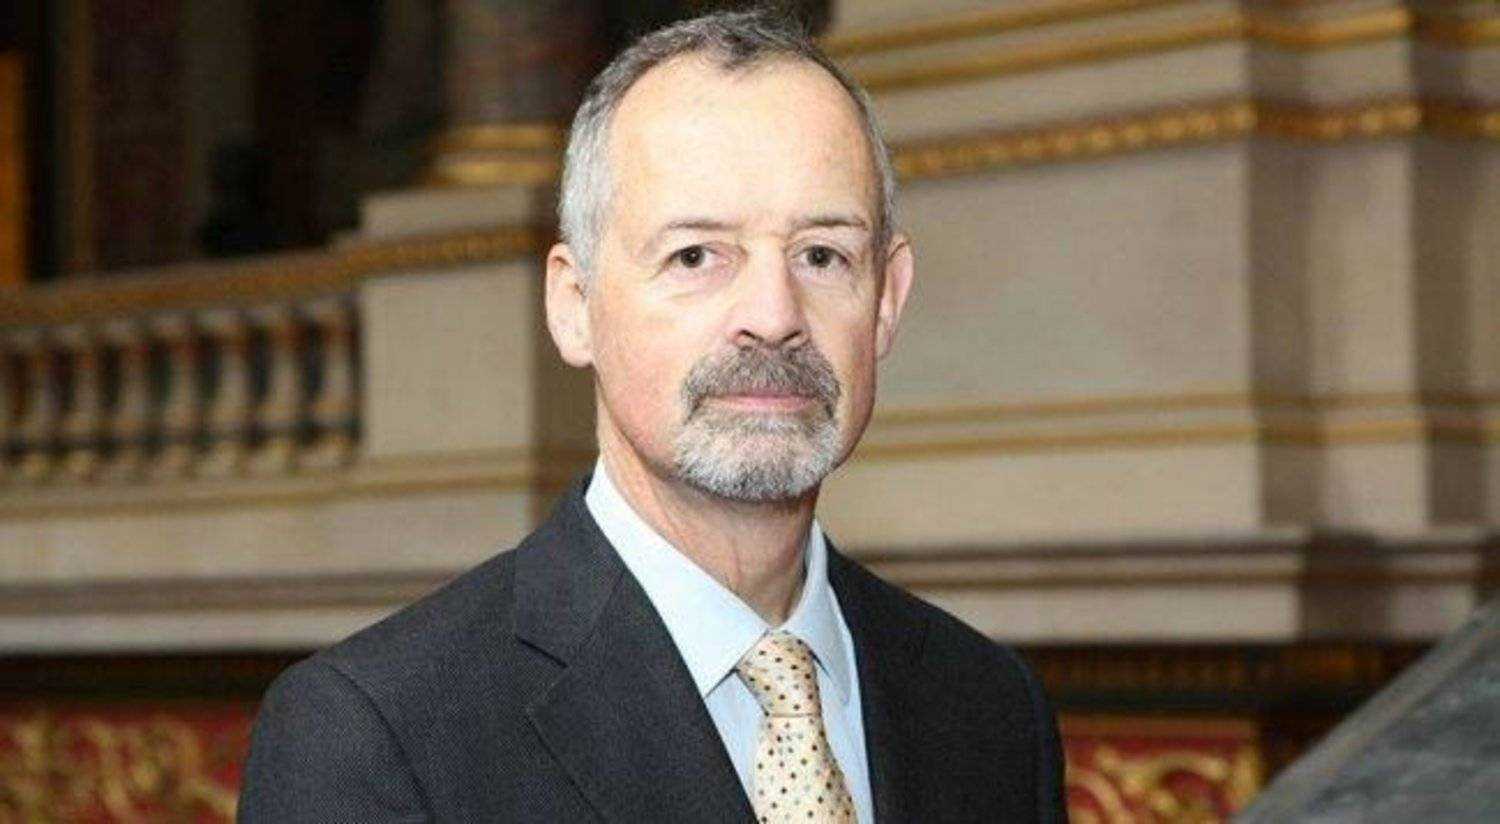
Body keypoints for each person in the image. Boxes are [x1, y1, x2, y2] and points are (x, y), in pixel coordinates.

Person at [239, 9, 1066, 823]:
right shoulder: (371, 738)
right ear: (574, 305)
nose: (773, 315)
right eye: (695, 255)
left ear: (885, 300)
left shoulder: (992, 710)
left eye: (822, 255)